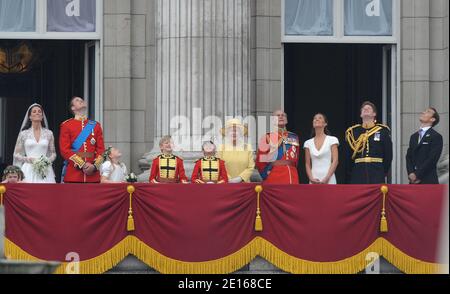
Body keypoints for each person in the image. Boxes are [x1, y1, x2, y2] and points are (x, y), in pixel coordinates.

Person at [59, 96, 105, 183]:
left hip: (93, 176)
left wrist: (94, 166)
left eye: (82, 100)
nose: (81, 101)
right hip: (74, 175)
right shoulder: (66, 125)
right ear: (73, 108)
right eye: (77, 100)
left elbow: (101, 150)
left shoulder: (96, 125)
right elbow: (64, 150)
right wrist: (82, 164)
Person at [345, 101, 392, 184]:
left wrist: (382, 171)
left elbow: (388, 155)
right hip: (358, 172)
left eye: (369, 108)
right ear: (361, 114)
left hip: (377, 171)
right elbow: (348, 156)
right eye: (363, 109)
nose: (366, 109)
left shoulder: (382, 131)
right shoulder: (353, 132)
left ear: (374, 114)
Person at [13, 103, 56, 183]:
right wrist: (28, 159)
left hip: (45, 169)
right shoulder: (23, 134)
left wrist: (46, 161)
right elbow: (16, 154)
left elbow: (53, 153)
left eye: (39, 111)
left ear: (42, 116)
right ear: (29, 116)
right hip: (28, 168)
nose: (37, 113)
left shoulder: (49, 133)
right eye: (34, 111)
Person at [255, 110, 300, 184]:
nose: (281, 117)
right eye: (278, 115)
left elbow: (296, 159)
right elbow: (260, 160)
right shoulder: (266, 137)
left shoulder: (294, 137)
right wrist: (267, 175)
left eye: (283, 115)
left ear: (287, 120)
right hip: (274, 176)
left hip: (292, 175)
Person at [406, 108, 443, 184]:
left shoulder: (436, 136)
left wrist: (417, 174)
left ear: (432, 119)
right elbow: (408, 156)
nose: (423, 112)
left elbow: (432, 159)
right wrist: (411, 173)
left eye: (428, 112)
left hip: (428, 180)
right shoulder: (414, 136)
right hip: (413, 181)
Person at [303, 113, 339, 184]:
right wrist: (311, 178)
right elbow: (307, 163)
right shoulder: (308, 143)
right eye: (315, 118)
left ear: (325, 123)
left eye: (320, 118)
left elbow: (335, 161)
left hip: (329, 178)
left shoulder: (332, 140)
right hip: (314, 179)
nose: (316, 119)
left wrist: (327, 178)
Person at [217, 118, 255, 183]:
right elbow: (218, 166)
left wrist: (240, 178)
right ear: (227, 133)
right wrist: (228, 179)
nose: (234, 133)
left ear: (240, 133)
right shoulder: (221, 148)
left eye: (236, 130)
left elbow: (251, 167)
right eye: (231, 130)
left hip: (244, 184)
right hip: (225, 184)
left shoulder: (248, 147)